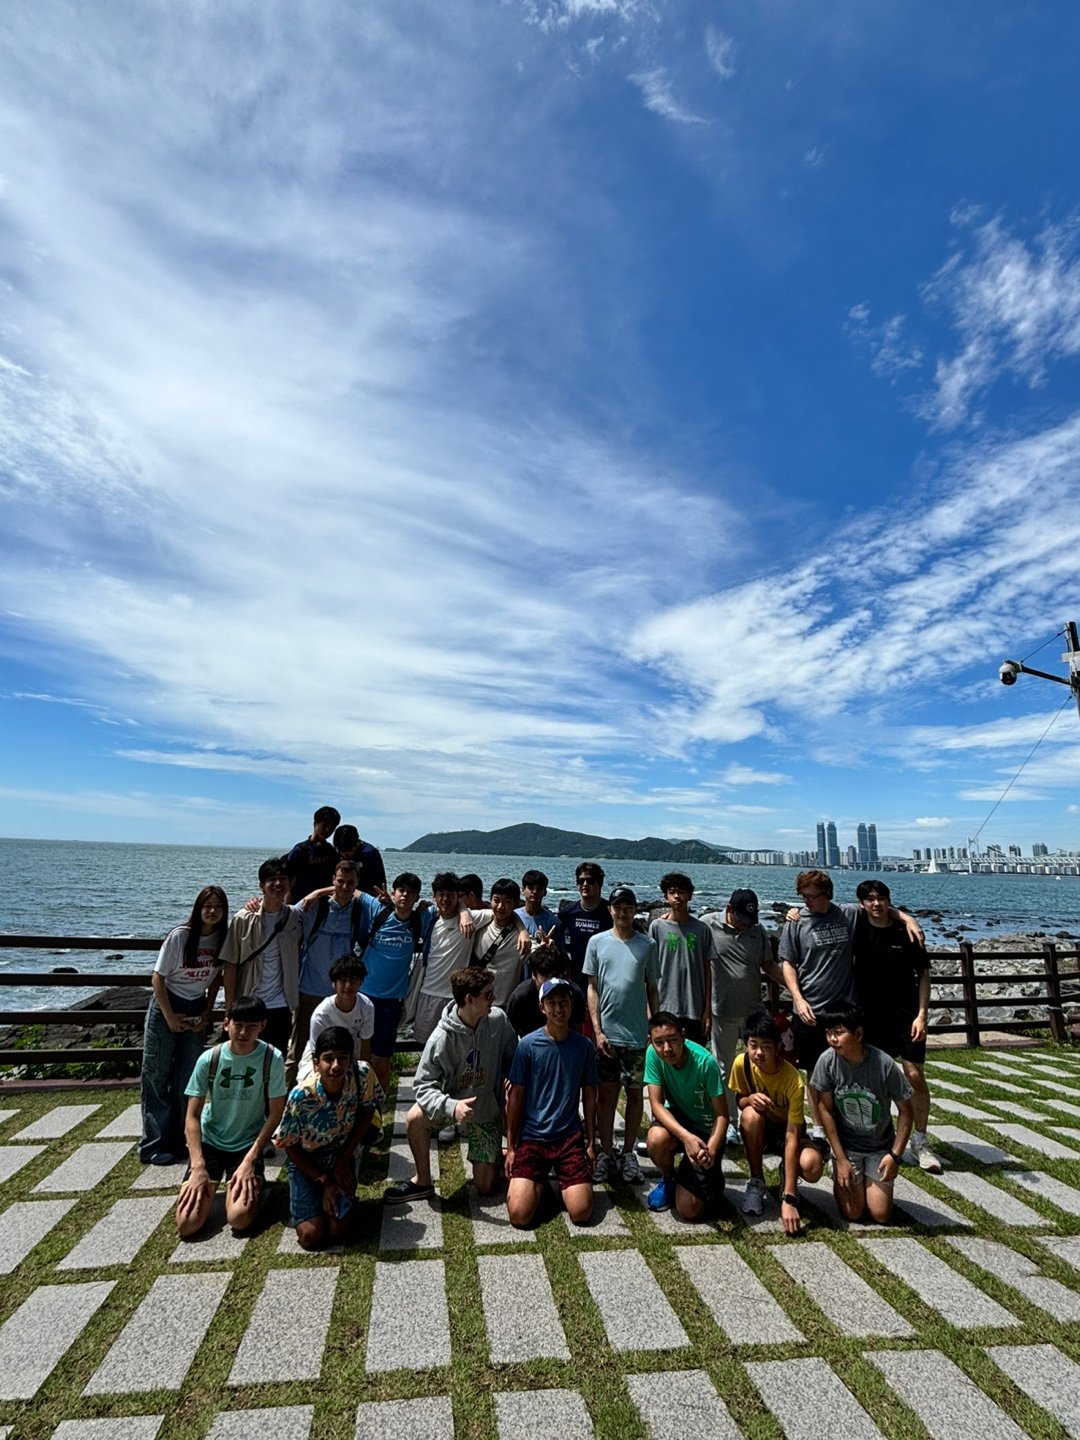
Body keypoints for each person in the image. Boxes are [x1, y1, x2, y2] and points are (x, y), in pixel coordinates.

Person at [779, 869, 920, 1151]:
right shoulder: (796, 922)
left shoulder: (847, 914)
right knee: (813, 1073)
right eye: (802, 896)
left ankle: (852, 1126)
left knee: (849, 1071)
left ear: (827, 894)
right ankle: (819, 1129)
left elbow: (878, 907)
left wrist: (908, 918)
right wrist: (798, 998)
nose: (806, 901)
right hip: (809, 1009)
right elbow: (787, 963)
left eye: (812, 896)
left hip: (844, 1010)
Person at [386, 966, 518, 1203]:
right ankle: (422, 1181)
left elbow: (513, 1057)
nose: (494, 999)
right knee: (415, 1117)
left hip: (486, 1109)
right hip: (452, 1105)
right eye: (488, 995)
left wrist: (510, 1088)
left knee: (486, 1186)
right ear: (469, 999)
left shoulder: (498, 1020)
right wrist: (451, 1107)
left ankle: (496, 1157)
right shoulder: (441, 1038)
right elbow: (423, 1085)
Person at [175, 996, 287, 1238]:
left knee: (239, 1219)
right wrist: (197, 1165)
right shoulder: (209, 1059)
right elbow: (192, 1116)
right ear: (226, 1024)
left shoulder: (272, 1058)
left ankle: (254, 1182)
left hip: (247, 1142)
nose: (244, 1032)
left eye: (252, 1026)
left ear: (262, 1026)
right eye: (238, 1025)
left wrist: (249, 1160)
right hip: (211, 1142)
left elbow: (276, 1113)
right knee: (188, 1224)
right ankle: (217, 1181)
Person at [853, 879, 942, 1172]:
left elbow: (924, 973)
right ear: (862, 903)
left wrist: (922, 1015)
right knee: (875, 1076)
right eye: (870, 899)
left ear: (888, 901)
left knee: (914, 1073)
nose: (876, 904)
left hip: (906, 1015)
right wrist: (795, 914)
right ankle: (880, 1136)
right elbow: (823, 914)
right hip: (870, 1016)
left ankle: (920, 1140)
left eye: (882, 898)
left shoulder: (906, 932)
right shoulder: (857, 927)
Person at [140, 885, 229, 1166]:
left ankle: (181, 1140)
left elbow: (217, 978)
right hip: (167, 1003)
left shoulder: (223, 939)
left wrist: (207, 1009)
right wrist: (168, 1016)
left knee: (188, 1078)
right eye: (207, 905)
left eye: (218, 906)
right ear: (198, 908)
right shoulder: (181, 936)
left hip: (195, 1005)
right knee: (157, 1074)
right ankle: (154, 1143)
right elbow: (158, 978)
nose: (212, 911)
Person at [275, 1025, 382, 1250]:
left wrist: (343, 1159)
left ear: (351, 1059)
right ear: (316, 1063)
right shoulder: (301, 1096)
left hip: (340, 1153)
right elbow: (290, 1146)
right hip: (307, 1160)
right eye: (328, 1059)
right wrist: (325, 1179)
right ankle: (312, 1199)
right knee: (310, 1236)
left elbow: (368, 1111)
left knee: (338, 1232)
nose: (335, 1066)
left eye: (342, 1059)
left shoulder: (362, 1075)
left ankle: (332, 1201)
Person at [506, 978, 598, 1228]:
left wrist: (590, 1143)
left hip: (568, 1136)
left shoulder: (584, 1046)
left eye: (564, 1002)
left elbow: (590, 1095)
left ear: (571, 1005)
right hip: (533, 1136)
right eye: (552, 1003)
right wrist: (512, 1146)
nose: (559, 1009)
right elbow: (516, 1097)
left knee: (581, 1213)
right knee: (519, 1215)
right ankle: (539, 1184)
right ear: (542, 1008)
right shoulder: (527, 1046)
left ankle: (559, 1182)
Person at [810, 1004, 914, 1225]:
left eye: (839, 1033)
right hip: (847, 1147)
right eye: (828, 1033)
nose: (832, 1039)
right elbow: (825, 1110)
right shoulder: (827, 1061)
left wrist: (895, 1155)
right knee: (853, 1213)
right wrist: (840, 1158)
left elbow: (906, 1111)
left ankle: (869, 1181)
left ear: (858, 1034)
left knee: (880, 1214)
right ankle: (843, 1174)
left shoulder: (884, 1064)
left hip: (879, 1146)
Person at [583, 885, 660, 1184]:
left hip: (638, 1036)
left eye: (628, 906)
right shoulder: (597, 942)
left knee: (635, 1094)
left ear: (634, 909)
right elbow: (593, 988)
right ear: (610, 909)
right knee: (606, 1096)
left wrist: (655, 1028)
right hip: (607, 1036)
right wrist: (598, 1030)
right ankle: (606, 1152)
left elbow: (652, 987)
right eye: (618, 906)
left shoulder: (647, 945)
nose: (623, 911)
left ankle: (628, 1152)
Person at [727, 1010, 823, 1235]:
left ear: (778, 1047)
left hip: (787, 1132)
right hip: (760, 1128)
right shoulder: (741, 1064)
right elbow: (739, 1100)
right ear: (745, 1045)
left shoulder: (793, 1080)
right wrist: (749, 1099)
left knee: (812, 1165)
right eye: (753, 1045)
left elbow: (792, 1135)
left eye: (766, 1046)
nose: (759, 1052)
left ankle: (787, 1179)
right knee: (750, 1115)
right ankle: (756, 1180)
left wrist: (789, 1197)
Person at [287, 858, 367, 1084]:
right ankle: (289, 1100)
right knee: (299, 1048)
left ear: (357, 883)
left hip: (342, 993)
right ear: (333, 880)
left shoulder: (359, 910)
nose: (344, 887)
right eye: (340, 881)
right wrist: (317, 893)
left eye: (350, 882)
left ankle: (337, 1097)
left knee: (339, 1050)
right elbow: (282, 913)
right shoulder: (316, 906)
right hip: (310, 988)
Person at [644, 1012, 728, 1221]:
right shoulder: (652, 1055)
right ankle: (669, 1178)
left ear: (683, 1035)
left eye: (672, 1040)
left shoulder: (705, 1062)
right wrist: (686, 1137)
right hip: (681, 1122)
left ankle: (710, 1177)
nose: (667, 1049)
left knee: (689, 1210)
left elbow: (722, 1115)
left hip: (707, 1131)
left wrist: (711, 1149)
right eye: (659, 1042)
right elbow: (656, 1105)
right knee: (655, 1139)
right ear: (651, 1041)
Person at [356, 872, 436, 1092]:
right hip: (363, 995)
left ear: (417, 897)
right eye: (401, 891)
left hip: (391, 1001)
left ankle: (378, 1109)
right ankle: (359, 1102)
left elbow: (454, 904)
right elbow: (350, 889)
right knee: (361, 1057)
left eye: (411, 893)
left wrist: (465, 914)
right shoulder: (378, 909)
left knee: (382, 1058)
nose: (405, 896)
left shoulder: (422, 917)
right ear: (393, 893)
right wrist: (314, 895)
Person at [221, 857, 303, 1059]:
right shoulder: (243, 918)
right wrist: (230, 1007)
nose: (278, 883)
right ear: (261, 886)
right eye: (272, 879)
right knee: (242, 1059)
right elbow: (230, 963)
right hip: (248, 1001)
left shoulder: (294, 917)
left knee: (275, 1062)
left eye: (283, 878)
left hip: (281, 1005)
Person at [704, 888, 786, 1081]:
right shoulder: (708, 924)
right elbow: (686, 930)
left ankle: (756, 1108)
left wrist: (795, 989)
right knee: (724, 1068)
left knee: (760, 1064)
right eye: (741, 919)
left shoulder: (757, 930)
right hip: (723, 1011)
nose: (745, 924)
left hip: (753, 1011)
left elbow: (769, 965)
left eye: (749, 919)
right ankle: (728, 1112)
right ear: (729, 909)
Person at [649, 872, 715, 1045]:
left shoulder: (702, 929)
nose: (677, 896)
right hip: (664, 1007)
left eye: (682, 892)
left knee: (694, 1060)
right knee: (666, 1058)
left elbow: (708, 972)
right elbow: (647, 972)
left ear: (690, 895)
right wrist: (649, 1009)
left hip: (695, 1009)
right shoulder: (657, 927)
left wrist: (707, 1011)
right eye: (672, 892)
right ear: (665, 896)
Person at [297, 954, 375, 1081]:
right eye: (343, 980)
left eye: (353, 981)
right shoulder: (321, 1014)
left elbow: (365, 1046)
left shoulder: (367, 1007)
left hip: (350, 1051)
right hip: (323, 1054)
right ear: (334, 983)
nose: (348, 986)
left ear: (361, 983)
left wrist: (363, 1077)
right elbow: (314, 1054)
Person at [505, 947, 587, 1037]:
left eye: (557, 975)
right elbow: (509, 1039)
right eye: (546, 976)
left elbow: (578, 1034)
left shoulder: (574, 993)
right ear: (534, 974)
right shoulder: (520, 998)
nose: (552, 981)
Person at [557, 862, 612, 988]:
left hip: (605, 982)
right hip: (576, 981)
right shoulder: (567, 914)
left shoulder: (612, 912)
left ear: (600, 883)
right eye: (581, 881)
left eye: (590, 880)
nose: (585, 885)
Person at [285, 805, 341, 903]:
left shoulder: (331, 851)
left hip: (324, 904)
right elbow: (289, 885)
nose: (328, 830)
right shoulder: (301, 850)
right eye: (325, 825)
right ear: (315, 823)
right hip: (301, 903)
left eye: (332, 827)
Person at [332, 822, 386, 897]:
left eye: (347, 851)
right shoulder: (337, 852)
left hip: (365, 897)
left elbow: (377, 885)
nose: (344, 855)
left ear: (356, 843)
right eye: (341, 851)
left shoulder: (369, 853)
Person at [517, 870, 564, 950]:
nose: (535, 892)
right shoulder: (514, 916)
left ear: (545, 892)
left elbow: (560, 952)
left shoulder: (553, 922)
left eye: (539, 889)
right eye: (531, 888)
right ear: (523, 890)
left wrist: (551, 948)